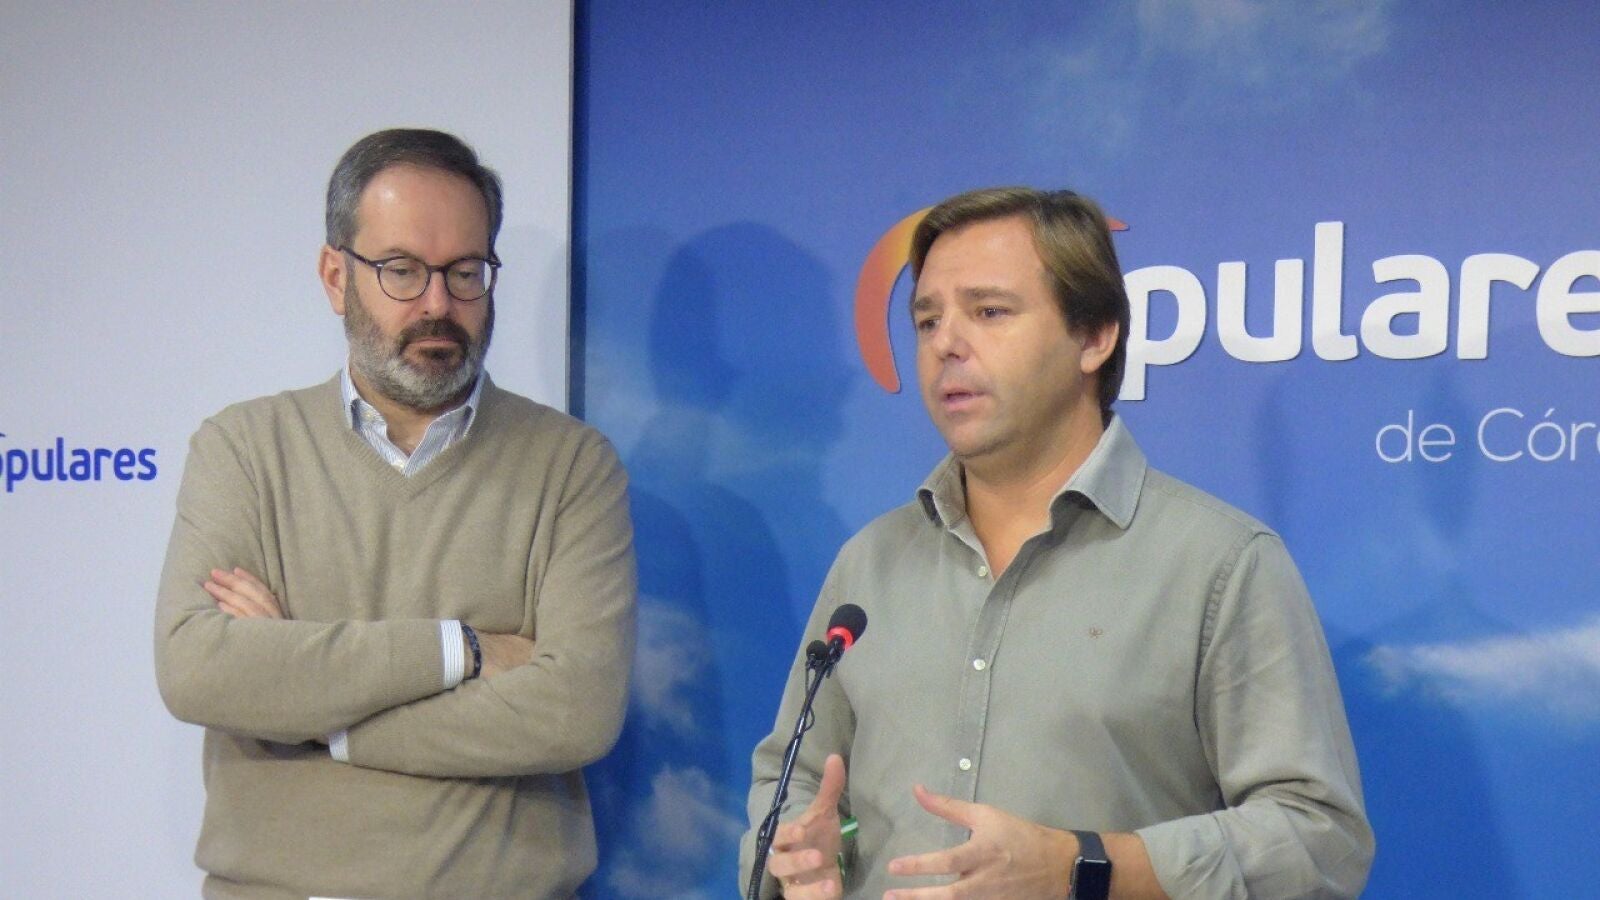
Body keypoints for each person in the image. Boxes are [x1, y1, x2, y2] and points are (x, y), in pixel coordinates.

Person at [741, 188, 1373, 899]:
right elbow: (792, 781)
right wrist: (807, 853)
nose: (946, 343)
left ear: (1095, 336)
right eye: (927, 320)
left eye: (989, 311)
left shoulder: (1220, 564)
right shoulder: (871, 562)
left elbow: (1318, 841)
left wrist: (1084, 866)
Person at [154, 128, 636, 899]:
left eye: (465, 272)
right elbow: (198, 669)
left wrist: (314, 714)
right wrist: (460, 651)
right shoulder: (243, 449)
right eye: (402, 271)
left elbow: (576, 709)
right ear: (335, 276)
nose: (439, 304)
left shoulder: (572, 467)